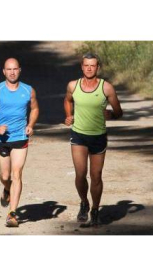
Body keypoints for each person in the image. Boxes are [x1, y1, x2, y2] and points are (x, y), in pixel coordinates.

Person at [64, 53, 123, 227]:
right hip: (79, 135)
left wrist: (111, 114)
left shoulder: (107, 88)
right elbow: (67, 100)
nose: (89, 68)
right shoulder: (73, 85)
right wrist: (68, 115)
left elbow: (119, 112)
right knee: (81, 175)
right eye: (86, 65)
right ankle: (84, 202)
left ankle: (95, 209)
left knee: (96, 176)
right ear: (82, 67)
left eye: (93, 65)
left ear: (98, 68)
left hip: (98, 137)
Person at [0, 57, 39, 227]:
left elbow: (35, 109)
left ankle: (12, 213)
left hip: (20, 137)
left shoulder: (28, 90)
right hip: (0, 138)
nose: (12, 72)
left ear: (19, 70)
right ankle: (6, 188)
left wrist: (30, 124)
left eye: (15, 69)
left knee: (17, 174)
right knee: (5, 176)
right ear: (4, 71)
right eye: (9, 69)